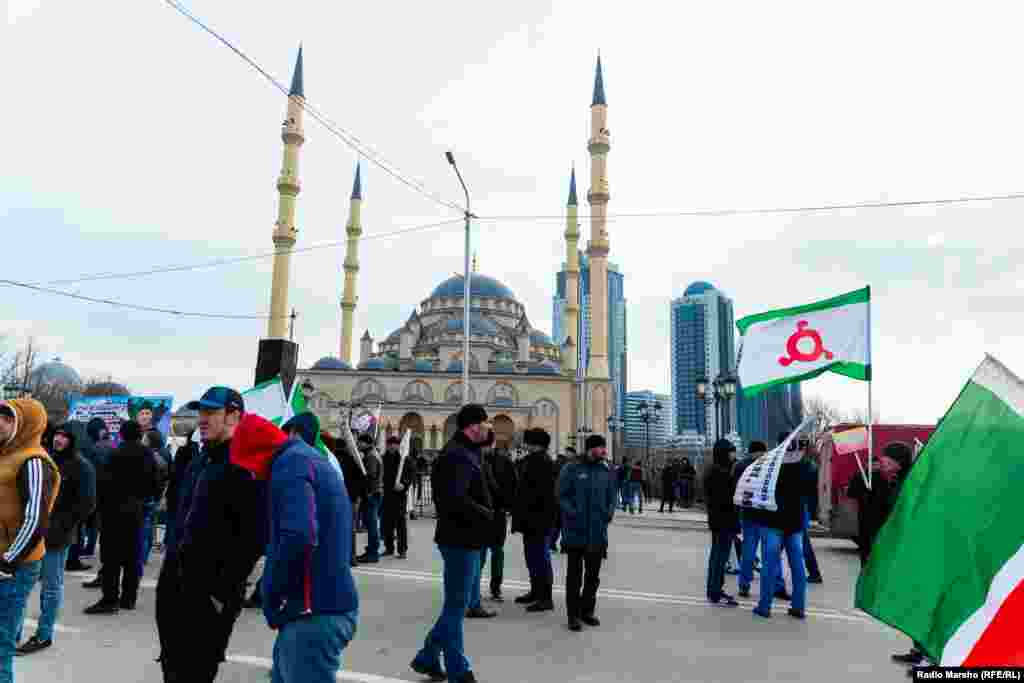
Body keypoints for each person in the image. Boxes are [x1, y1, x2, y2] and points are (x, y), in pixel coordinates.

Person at [230, 414, 359, 683]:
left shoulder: (290, 465)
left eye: (251, 468)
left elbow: (299, 535)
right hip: (321, 608)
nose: (253, 475)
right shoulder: (306, 459)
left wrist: (272, 594)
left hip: (314, 612)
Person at [156, 386, 263, 682]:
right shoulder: (200, 460)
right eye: (201, 411)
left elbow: (254, 538)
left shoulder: (244, 466)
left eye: (211, 412)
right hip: (174, 586)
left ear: (234, 416)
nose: (202, 418)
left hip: (209, 596)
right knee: (172, 668)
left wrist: (220, 592)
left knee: (195, 673)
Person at [410, 404, 493, 683]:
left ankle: (428, 657)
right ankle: (459, 671)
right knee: (456, 607)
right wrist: (486, 514)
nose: (489, 428)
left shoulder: (468, 451)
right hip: (459, 538)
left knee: (455, 606)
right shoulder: (457, 455)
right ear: (473, 426)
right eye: (485, 423)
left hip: (467, 537)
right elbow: (453, 500)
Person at [16, 424, 95, 655]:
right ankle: (14, 633)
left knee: (50, 587)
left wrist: (63, 525)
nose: (58, 440)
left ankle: (44, 634)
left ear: (73, 440)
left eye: (64, 436)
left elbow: (87, 504)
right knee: (23, 586)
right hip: (34, 532)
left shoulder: (82, 467)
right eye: (56, 435)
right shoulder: (46, 459)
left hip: (57, 537)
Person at [0, 399, 61, 683]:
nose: (0, 422)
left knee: (1, 647)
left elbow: (35, 519)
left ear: (24, 425)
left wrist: (8, 561)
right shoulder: (6, 455)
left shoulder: (34, 461)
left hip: (15, 565)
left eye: (7, 417)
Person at [84, 420, 159, 614]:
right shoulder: (148, 454)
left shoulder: (114, 454)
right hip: (137, 511)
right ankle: (129, 598)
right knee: (133, 557)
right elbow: (155, 484)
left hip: (113, 511)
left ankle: (110, 599)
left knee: (111, 558)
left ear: (123, 434)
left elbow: (103, 483)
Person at [749, 436, 813, 619]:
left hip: (773, 521)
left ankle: (764, 606)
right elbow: (810, 490)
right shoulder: (806, 466)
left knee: (769, 565)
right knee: (797, 565)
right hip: (795, 522)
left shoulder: (772, 463)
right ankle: (799, 606)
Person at [558, 434, 617, 632]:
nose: (604, 452)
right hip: (576, 531)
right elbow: (561, 495)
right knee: (574, 576)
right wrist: (572, 513)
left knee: (593, 576)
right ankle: (573, 615)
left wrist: (609, 513)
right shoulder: (572, 467)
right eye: (601, 448)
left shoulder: (606, 470)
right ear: (591, 449)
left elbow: (612, 496)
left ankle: (587, 611)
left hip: (598, 532)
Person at [510, 428, 559, 614]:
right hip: (531, 519)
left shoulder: (543, 463)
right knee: (532, 557)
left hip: (539, 520)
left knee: (540, 558)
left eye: (527, 441)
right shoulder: (533, 460)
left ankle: (545, 598)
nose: (524, 443)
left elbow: (543, 495)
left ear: (535, 444)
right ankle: (536, 591)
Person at [703, 439, 740, 607]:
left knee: (717, 556)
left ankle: (714, 590)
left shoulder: (714, 470)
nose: (734, 455)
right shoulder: (721, 473)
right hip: (724, 521)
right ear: (724, 453)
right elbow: (728, 499)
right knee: (720, 557)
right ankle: (715, 591)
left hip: (717, 520)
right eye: (731, 452)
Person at [479, 446, 517, 602]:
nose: (484, 448)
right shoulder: (475, 459)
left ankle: (496, 587)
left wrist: (506, 505)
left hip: (497, 513)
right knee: (478, 552)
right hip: (479, 512)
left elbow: (513, 484)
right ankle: (474, 587)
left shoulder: (504, 461)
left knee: (497, 551)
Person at [78, 418, 114, 582]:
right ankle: (89, 547)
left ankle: (83, 548)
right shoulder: (107, 447)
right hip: (102, 490)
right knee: (95, 522)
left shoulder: (86, 446)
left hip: (89, 488)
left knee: (84, 520)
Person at [735, 441, 768, 598]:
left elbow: (734, 489)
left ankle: (744, 584)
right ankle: (772, 585)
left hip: (747, 513)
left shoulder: (740, 466)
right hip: (765, 514)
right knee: (769, 552)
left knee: (748, 550)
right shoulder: (767, 466)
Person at [138, 428, 170, 576]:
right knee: (150, 524)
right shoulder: (165, 454)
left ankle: (141, 556)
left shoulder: (150, 456)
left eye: (145, 438)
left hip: (147, 496)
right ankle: (144, 554)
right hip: (156, 495)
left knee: (144, 527)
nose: (142, 439)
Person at [381, 436, 416, 560]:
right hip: (387, 495)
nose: (391, 446)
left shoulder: (404, 459)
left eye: (394, 444)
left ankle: (402, 550)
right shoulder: (384, 458)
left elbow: (411, 474)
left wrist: (404, 484)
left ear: (398, 445)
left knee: (400, 523)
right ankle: (389, 547)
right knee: (387, 523)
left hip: (399, 496)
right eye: (389, 444)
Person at [356, 433, 383, 564]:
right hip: (374, 493)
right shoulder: (372, 453)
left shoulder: (371, 456)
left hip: (372, 494)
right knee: (371, 524)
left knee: (371, 525)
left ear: (366, 443)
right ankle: (371, 550)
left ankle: (373, 553)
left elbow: (370, 475)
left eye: (359, 442)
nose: (358, 444)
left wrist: (365, 490)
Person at [801, 445, 823, 584]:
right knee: (802, 542)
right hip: (804, 507)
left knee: (802, 542)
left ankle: (814, 572)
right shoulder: (812, 466)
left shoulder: (805, 466)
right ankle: (814, 572)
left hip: (799, 507)